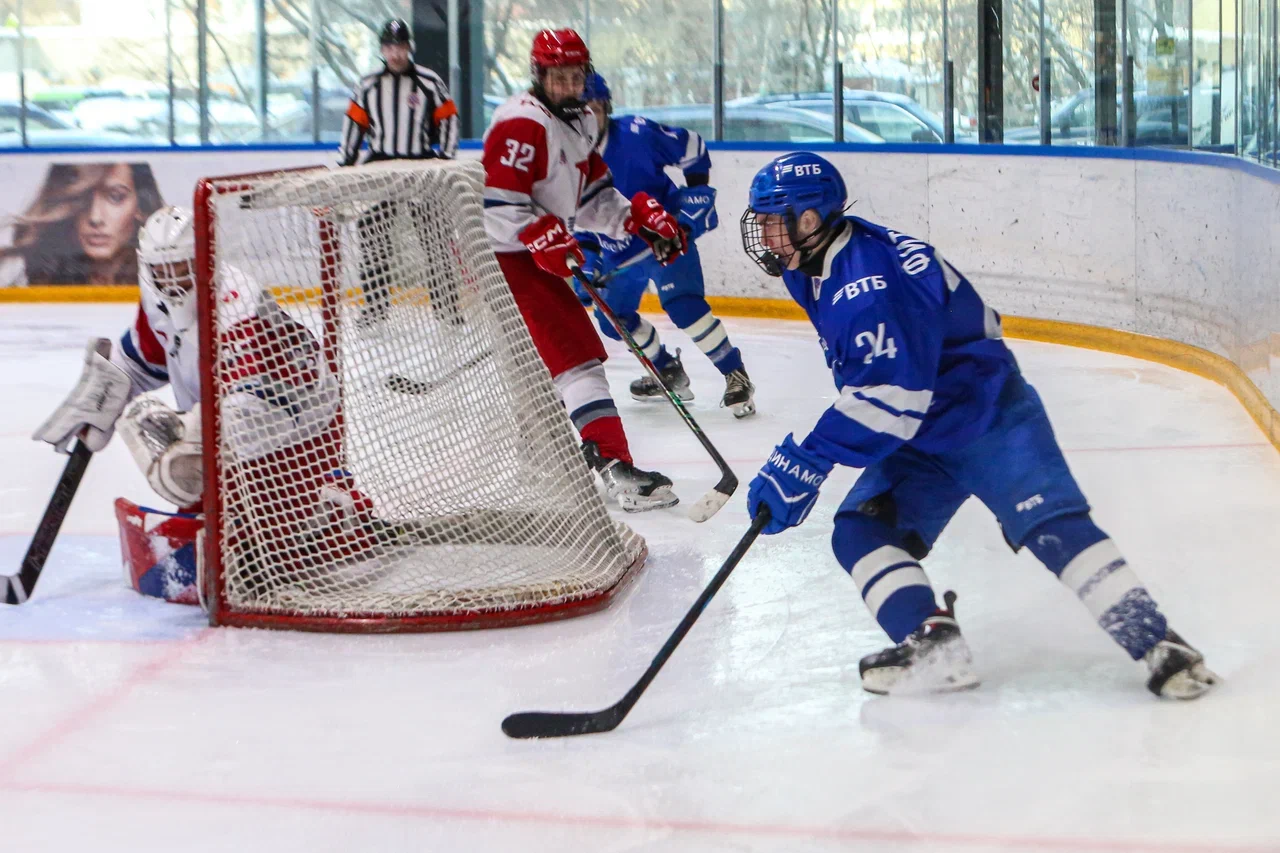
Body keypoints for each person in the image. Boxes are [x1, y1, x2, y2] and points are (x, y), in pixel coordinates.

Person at [740, 151, 1219, 700]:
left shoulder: (866, 285)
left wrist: (810, 457)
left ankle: (1160, 644)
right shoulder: (817, 263)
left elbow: (893, 395)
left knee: (1051, 526)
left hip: (986, 414)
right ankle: (933, 643)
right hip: (921, 433)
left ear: (809, 220)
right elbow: (891, 391)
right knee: (860, 529)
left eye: (774, 222)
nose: (765, 237)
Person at [31, 207, 372, 604]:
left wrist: (190, 440)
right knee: (199, 499)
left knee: (266, 544)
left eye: (181, 266)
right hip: (233, 416)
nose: (171, 279)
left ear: (205, 256)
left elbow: (250, 407)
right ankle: (260, 510)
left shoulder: (236, 304)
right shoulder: (156, 295)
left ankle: (330, 505)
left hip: (299, 422)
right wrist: (106, 391)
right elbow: (145, 358)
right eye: (162, 269)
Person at [482, 29, 689, 513]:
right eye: (558, 77)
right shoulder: (521, 124)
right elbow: (495, 207)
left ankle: (538, 466)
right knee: (575, 356)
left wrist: (639, 222)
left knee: (547, 365)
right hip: (504, 258)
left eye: (576, 75)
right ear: (539, 75)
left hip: (532, 256)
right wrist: (534, 233)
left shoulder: (578, 121)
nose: (568, 84)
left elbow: (593, 199)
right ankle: (612, 465)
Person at [574, 72, 755, 418]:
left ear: (606, 108)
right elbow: (581, 219)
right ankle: (666, 371)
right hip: (618, 250)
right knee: (613, 320)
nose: (587, 119)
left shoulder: (636, 135)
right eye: (579, 112)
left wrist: (691, 205)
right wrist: (588, 263)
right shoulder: (567, 160)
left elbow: (693, 149)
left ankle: (736, 375)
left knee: (684, 306)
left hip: (666, 234)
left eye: (593, 109)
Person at [339, 18, 461, 326]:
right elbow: (354, 126)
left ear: (410, 48)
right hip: (380, 167)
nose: (396, 54)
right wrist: (346, 165)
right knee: (374, 244)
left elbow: (449, 119)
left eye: (401, 47)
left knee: (435, 242)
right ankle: (375, 310)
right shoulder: (368, 85)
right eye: (390, 47)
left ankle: (448, 311)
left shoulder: (429, 81)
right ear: (382, 49)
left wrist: (444, 159)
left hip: (421, 166)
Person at [0, 162, 164, 287]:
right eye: (81, 199)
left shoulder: (164, 278)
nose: (95, 217)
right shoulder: (24, 277)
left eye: (115, 197)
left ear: (141, 208)